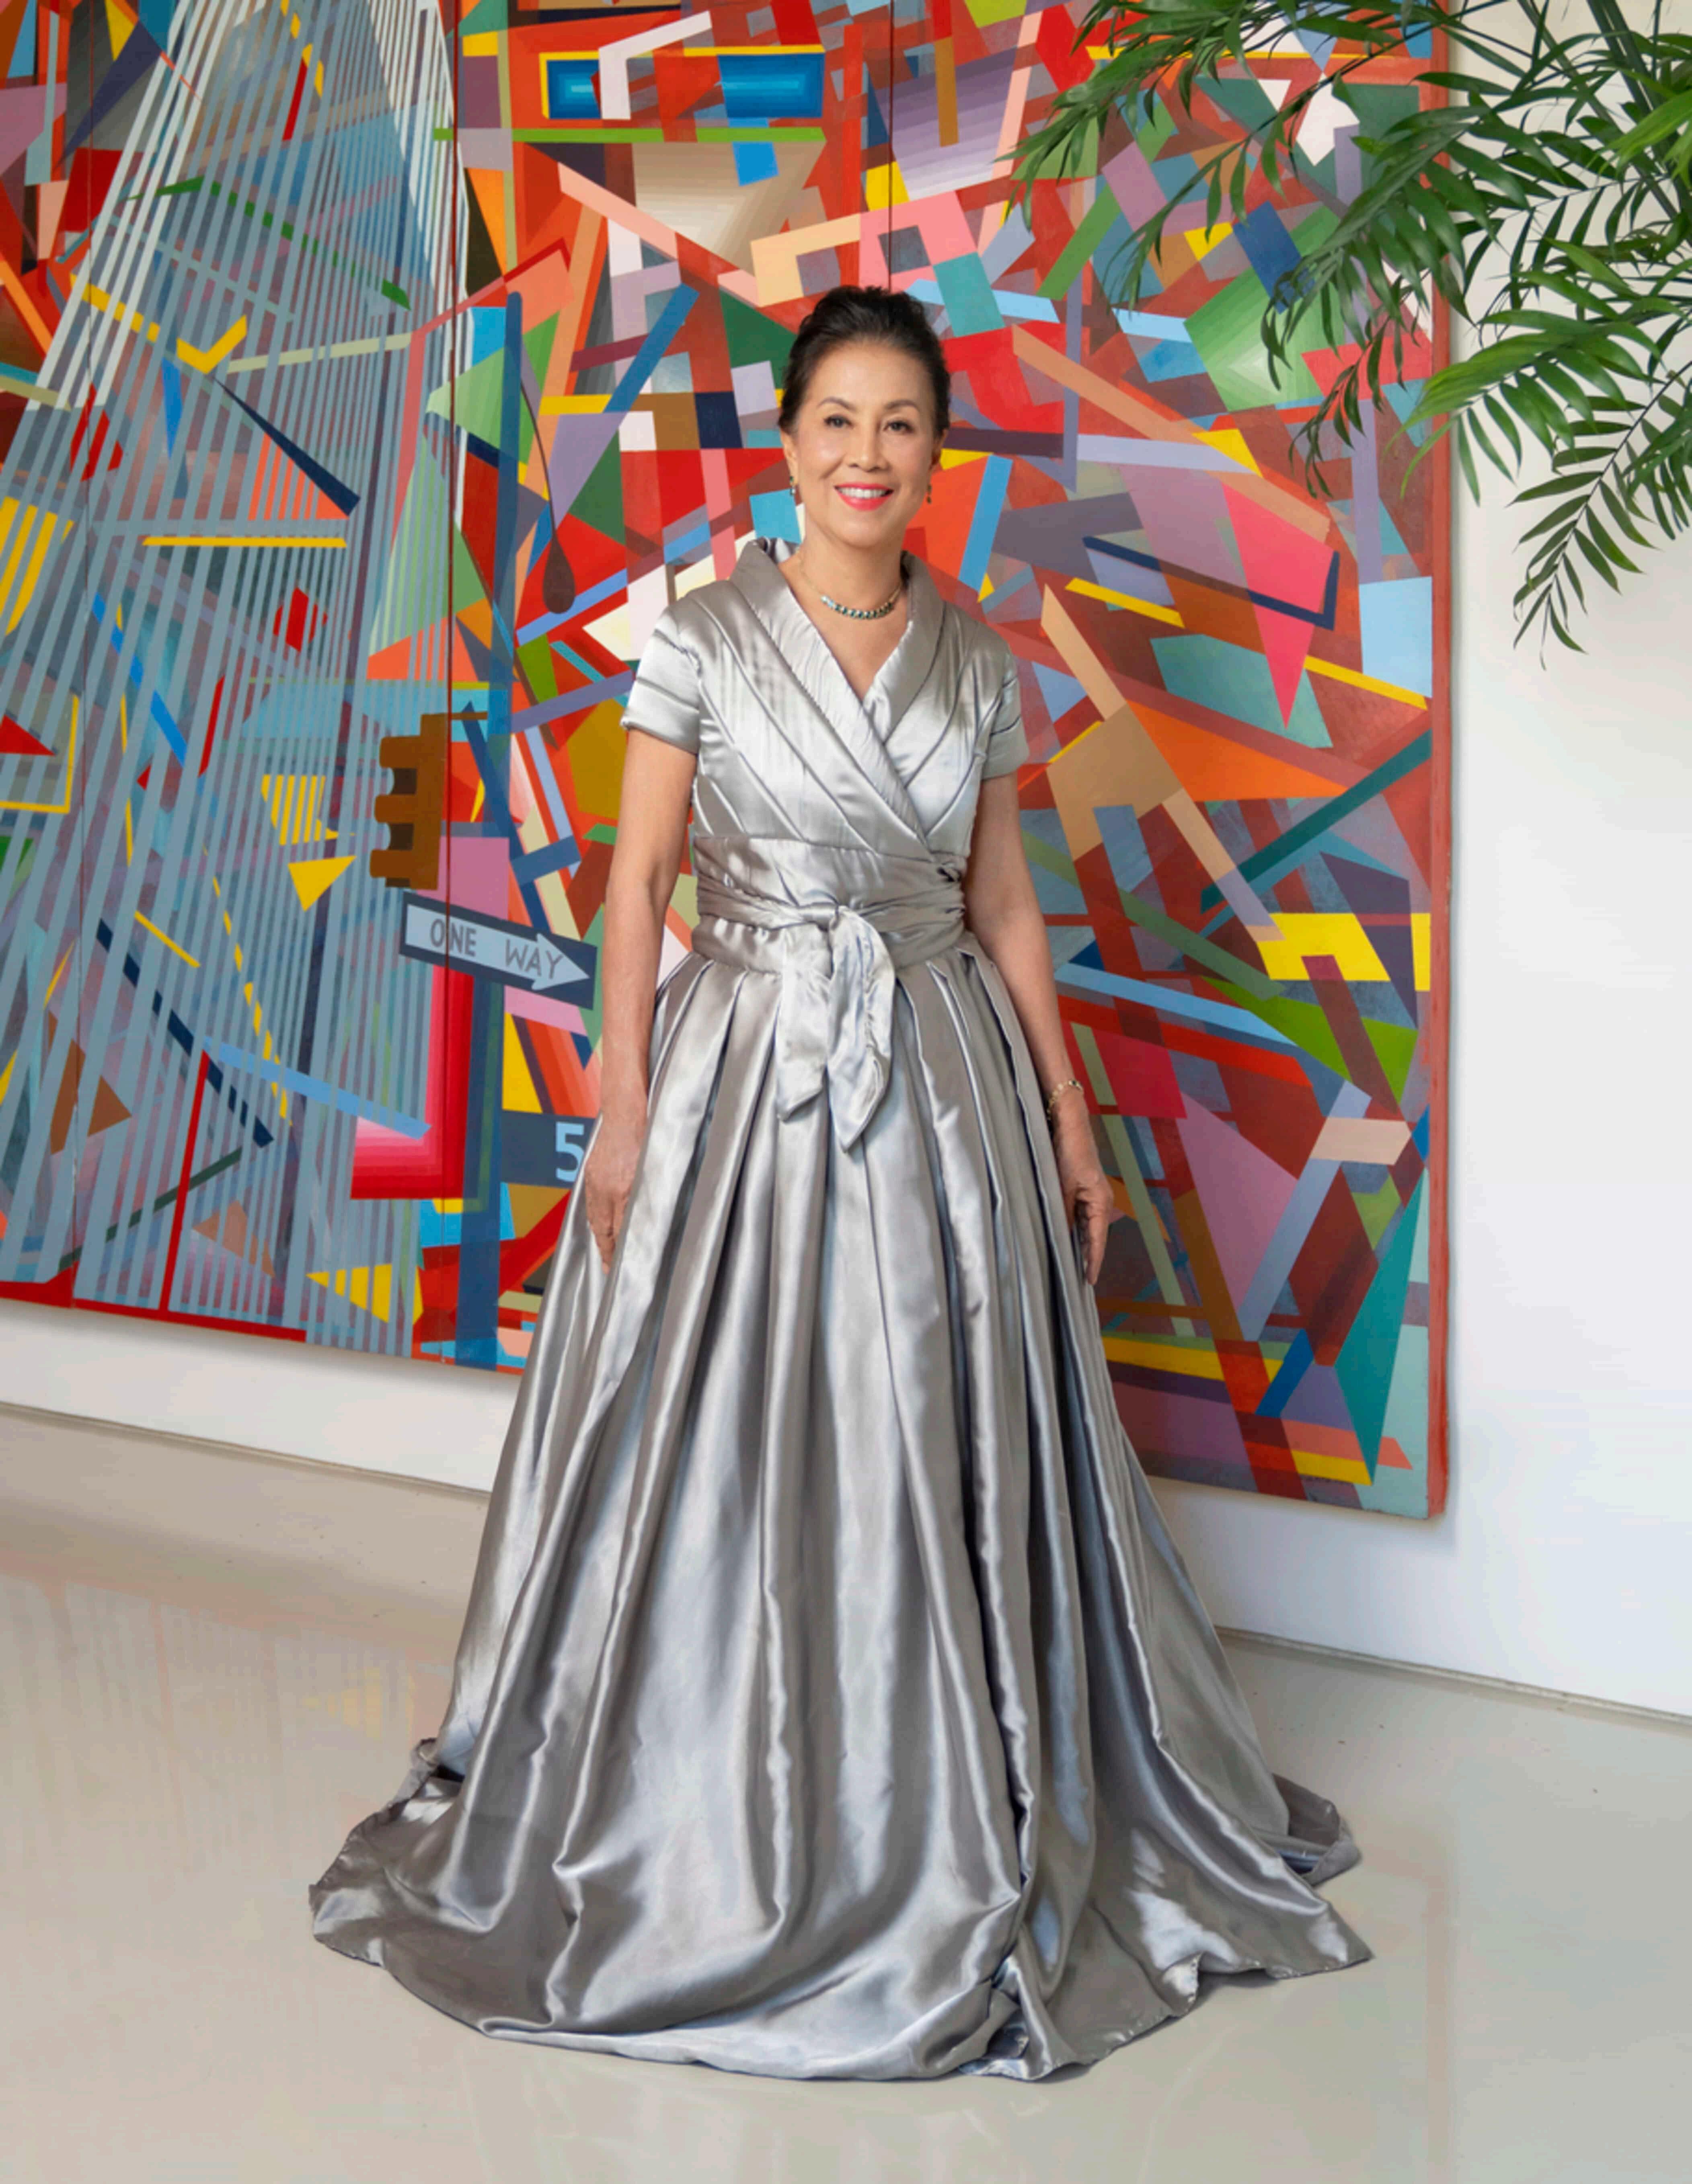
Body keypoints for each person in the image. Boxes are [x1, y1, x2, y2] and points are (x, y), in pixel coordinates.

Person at [308, 284, 1371, 2081]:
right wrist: (622, 1098)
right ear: (789, 443)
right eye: (838, 420)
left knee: (932, 1424)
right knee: (724, 1429)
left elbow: (1004, 903)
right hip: (744, 1063)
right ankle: (708, 1788)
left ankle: (934, 1777)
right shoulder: (703, 639)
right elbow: (636, 885)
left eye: (901, 424)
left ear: (935, 455)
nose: (868, 454)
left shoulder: (979, 659)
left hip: (940, 1074)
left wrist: (1070, 1120)